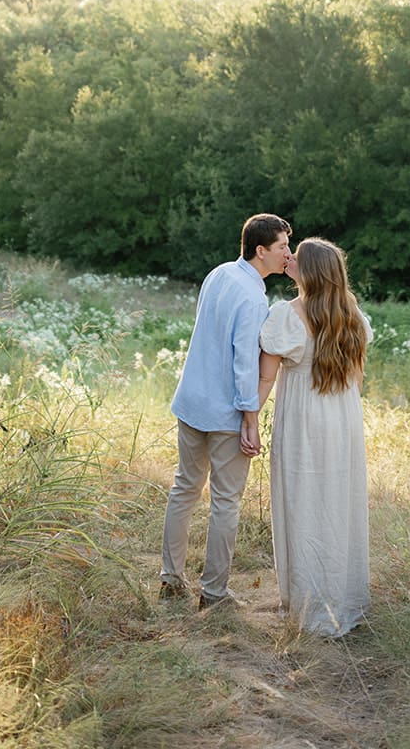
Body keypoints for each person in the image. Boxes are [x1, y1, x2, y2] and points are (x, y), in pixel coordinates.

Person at [160, 212, 294, 609]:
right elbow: (243, 365)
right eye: (282, 246)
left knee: (184, 489)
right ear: (260, 251)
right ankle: (214, 593)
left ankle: (170, 579)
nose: (288, 253)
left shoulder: (219, 273)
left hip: (192, 401)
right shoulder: (254, 298)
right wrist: (250, 420)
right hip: (223, 413)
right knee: (225, 502)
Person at [257, 236, 373, 636]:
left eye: (296, 257)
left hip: (304, 417)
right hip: (342, 415)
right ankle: (343, 598)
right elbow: (357, 378)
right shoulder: (351, 312)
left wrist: (249, 419)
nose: (288, 258)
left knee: (303, 503)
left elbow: (267, 378)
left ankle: (308, 604)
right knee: (339, 503)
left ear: (307, 271)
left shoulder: (285, 314)